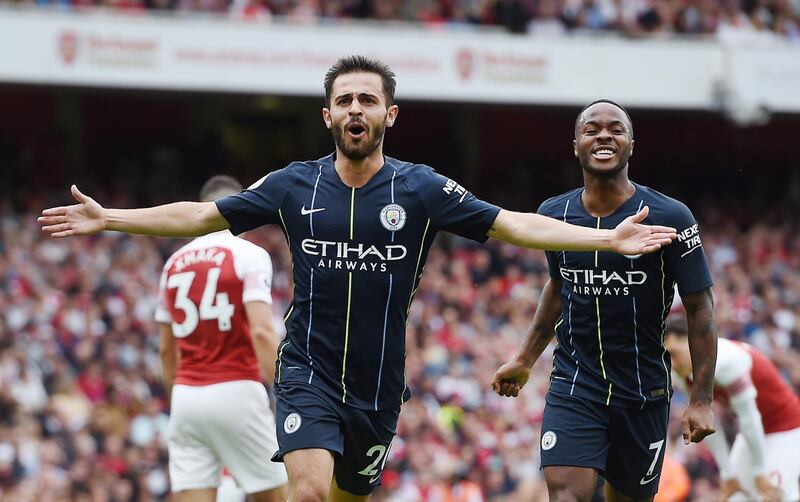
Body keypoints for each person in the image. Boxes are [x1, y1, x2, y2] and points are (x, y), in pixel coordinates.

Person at [39, 56, 678, 502]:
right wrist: (110, 220)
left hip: (377, 387)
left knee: (345, 496)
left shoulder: (421, 187)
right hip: (307, 374)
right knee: (308, 492)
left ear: (388, 115)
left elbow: (512, 225)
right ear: (327, 116)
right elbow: (202, 214)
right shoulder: (293, 183)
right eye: (344, 99)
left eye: (367, 100)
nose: (355, 109)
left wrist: (606, 237)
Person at [491, 100, 717, 502]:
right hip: (575, 385)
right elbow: (558, 287)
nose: (604, 136)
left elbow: (700, 310)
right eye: (591, 129)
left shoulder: (672, 217)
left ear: (631, 144)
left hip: (643, 392)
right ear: (575, 145)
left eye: (616, 129)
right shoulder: (553, 214)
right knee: (566, 495)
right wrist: (525, 359)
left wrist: (700, 400)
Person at [156, 175, 288, 502]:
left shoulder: (173, 263)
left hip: (187, 396)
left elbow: (165, 350)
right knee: (282, 495)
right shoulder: (249, 254)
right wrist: (285, 393)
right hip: (237, 389)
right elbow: (260, 331)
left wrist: (180, 398)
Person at [665, 318, 800, 502]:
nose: (671, 363)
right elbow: (707, 423)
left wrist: (759, 470)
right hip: (751, 433)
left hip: (786, 429)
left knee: (770, 497)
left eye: (674, 353)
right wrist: (727, 473)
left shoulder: (727, 361)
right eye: (667, 356)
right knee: (734, 498)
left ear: (693, 343)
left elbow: (749, 417)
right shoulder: (681, 371)